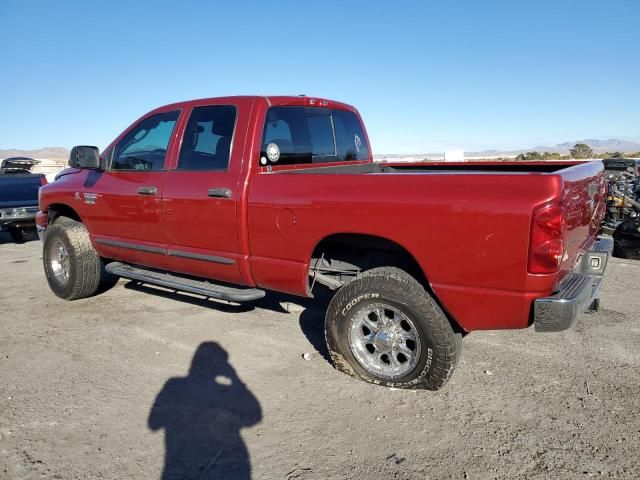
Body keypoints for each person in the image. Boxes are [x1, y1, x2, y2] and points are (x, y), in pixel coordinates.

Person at [149, 342, 262, 479]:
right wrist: (236, 380)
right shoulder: (175, 384)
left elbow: (154, 423)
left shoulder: (174, 384)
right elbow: (255, 415)